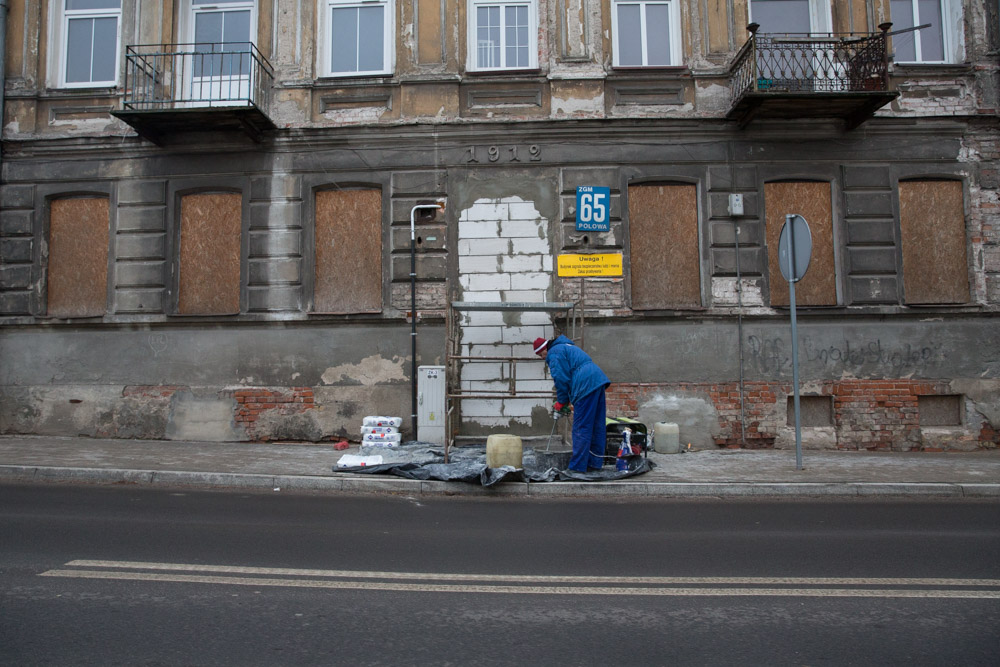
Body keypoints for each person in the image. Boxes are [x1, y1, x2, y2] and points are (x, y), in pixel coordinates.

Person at [533, 335, 610, 473]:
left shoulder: (554, 352)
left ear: (545, 348)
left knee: (581, 427)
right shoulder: (567, 346)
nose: (542, 357)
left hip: (585, 384)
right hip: (597, 379)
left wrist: (561, 402)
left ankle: (577, 468)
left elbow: (561, 379)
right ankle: (594, 464)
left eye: (541, 354)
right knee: (597, 426)